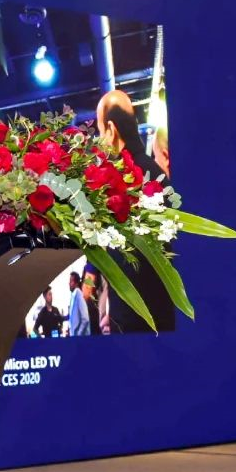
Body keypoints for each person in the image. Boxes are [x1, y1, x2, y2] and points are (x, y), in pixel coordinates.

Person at [94, 90, 174, 334]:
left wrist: (117, 316)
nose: (99, 141)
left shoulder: (122, 184)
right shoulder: (159, 177)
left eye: (100, 132)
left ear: (111, 130)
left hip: (137, 329)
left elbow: (130, 270)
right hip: (167, 319)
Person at [67, 271, 89, 336]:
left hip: (81, 339)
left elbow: (85, 319)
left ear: (76, 283)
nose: (69, 283)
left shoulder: (79, 295)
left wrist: (79, 334)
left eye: (71, 281)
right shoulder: (73, 296)